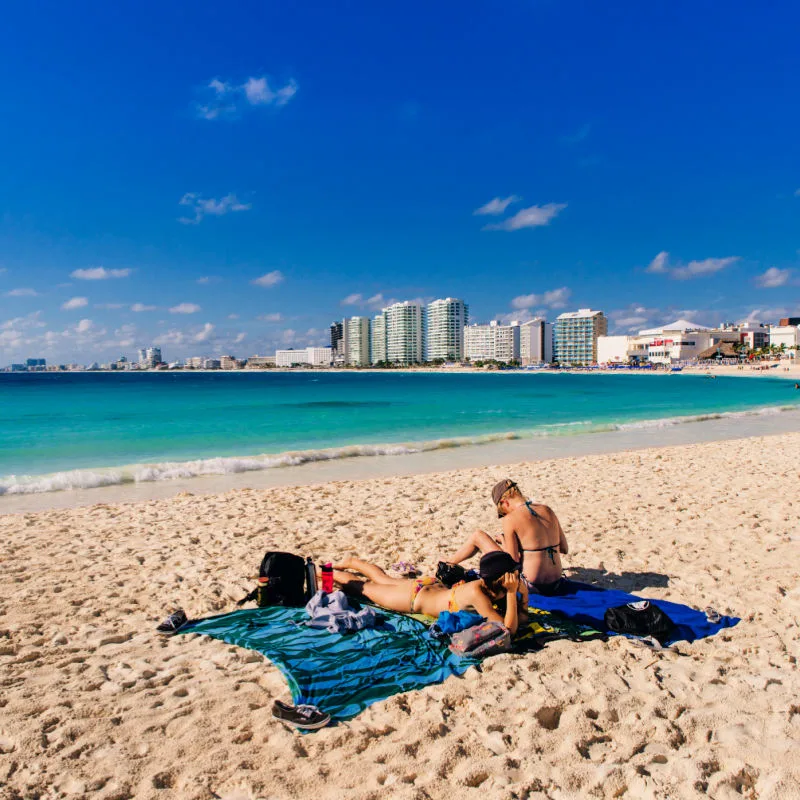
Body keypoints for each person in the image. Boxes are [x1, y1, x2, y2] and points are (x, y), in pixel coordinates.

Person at [329, 551, 522, 634]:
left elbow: (521, 617)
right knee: (363, 589)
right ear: (503, 578)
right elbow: (508, 630)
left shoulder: (483, 586)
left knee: (384, 580)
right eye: (514, 573)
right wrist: (512, 594)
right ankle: (328, 573)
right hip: (413, 598)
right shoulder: (478, 595)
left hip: (428, 586)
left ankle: (352, 563)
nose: (517, 575)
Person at [447, 478, 569, 596]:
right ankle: (448, 565)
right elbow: (564, 549)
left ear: (504, 502)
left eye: (503, 511)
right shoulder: (547, 510)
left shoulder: (510, 519)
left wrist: (504, 541)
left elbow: (512, 562)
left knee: (478, 536)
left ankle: (446, 566)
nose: (505, 514)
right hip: (556, 582)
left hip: (532, 585)